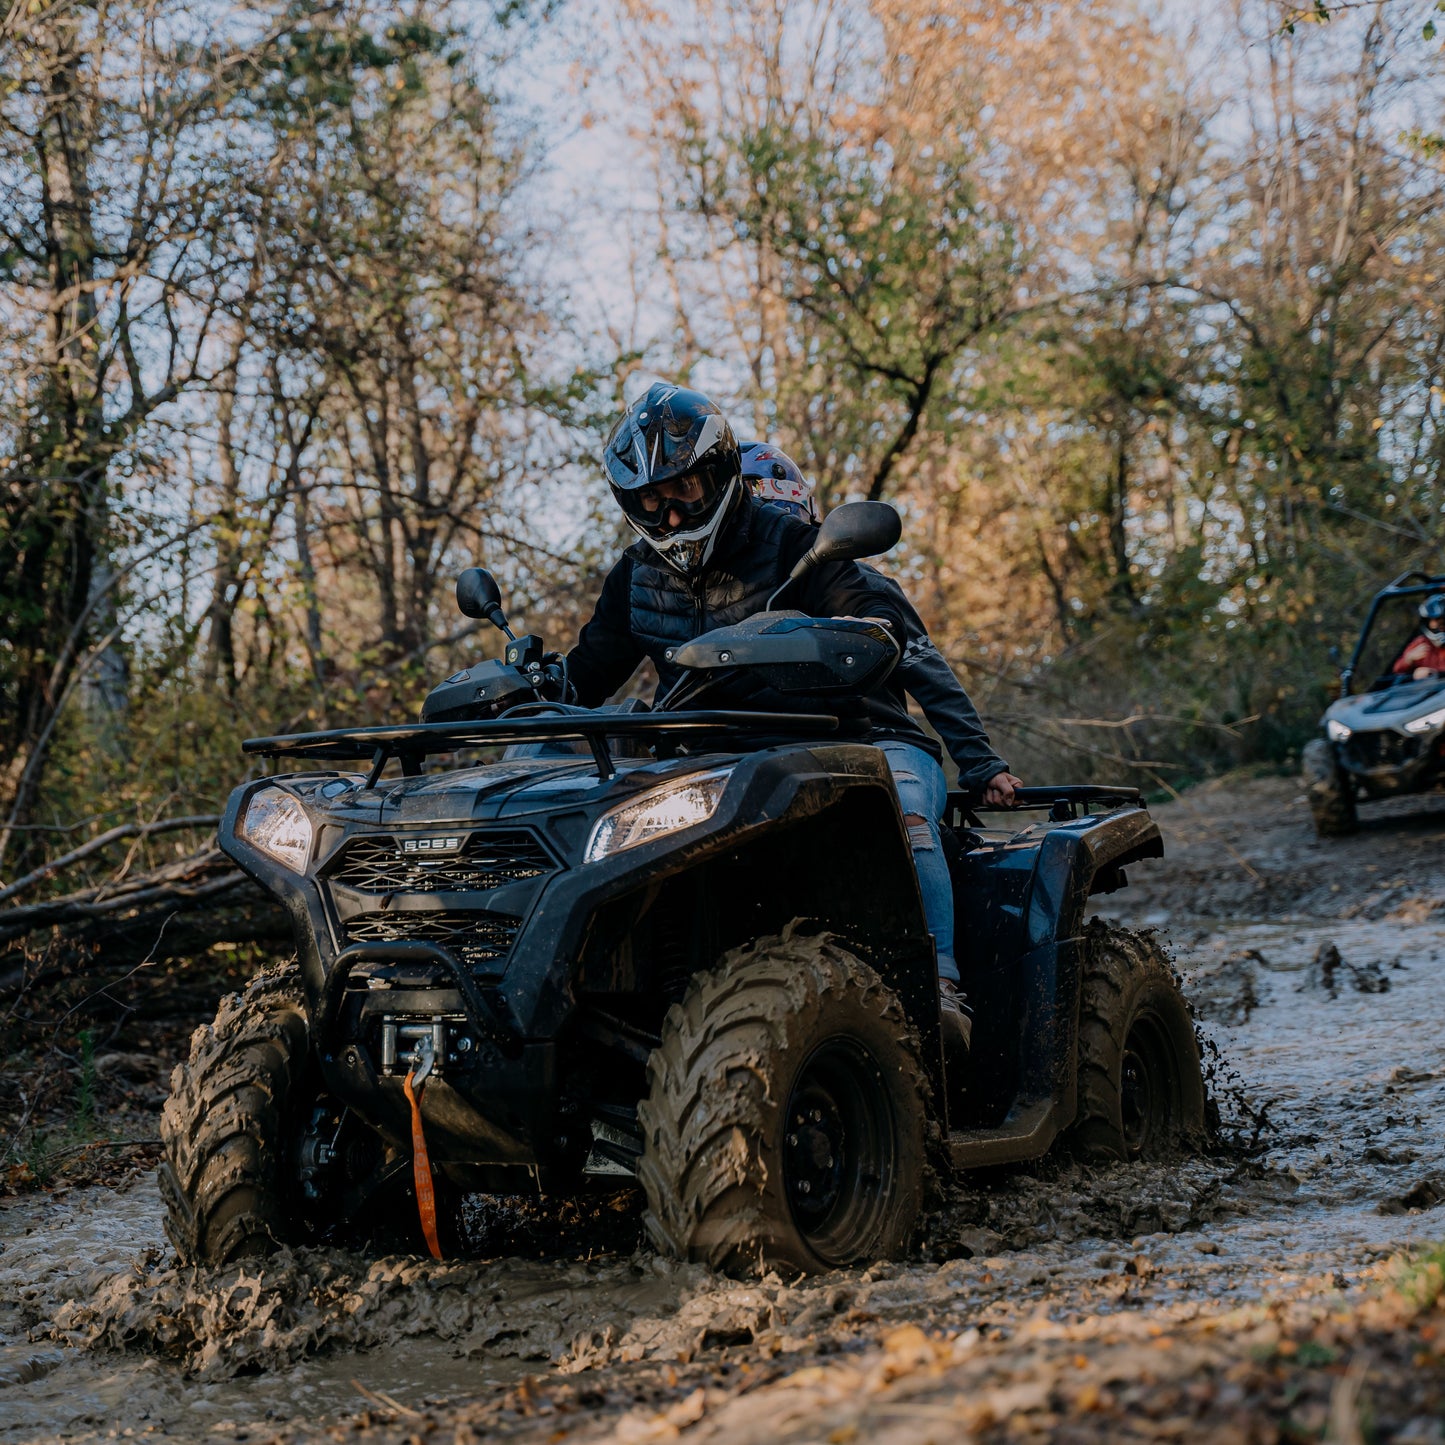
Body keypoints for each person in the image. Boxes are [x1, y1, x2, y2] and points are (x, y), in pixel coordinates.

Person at [566, 384, 973, 1051]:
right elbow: (586, 673)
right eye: (648, 500)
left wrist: (857, 633)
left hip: (849, 740)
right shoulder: (634, 577)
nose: (668, 514)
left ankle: (941, 984)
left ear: (721, 473)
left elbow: (880, 621)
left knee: (905, 811)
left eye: (684, 491)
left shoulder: (799, 546)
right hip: (712, 757)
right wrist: (526, 684)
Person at [1392, 593, 1445, 679]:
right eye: (1435, 620)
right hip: (1429, 690)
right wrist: (1409, 659)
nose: (1438, 624)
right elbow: (1397, 669)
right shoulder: (1421, 643)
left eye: (1443, 620)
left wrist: (1435, 674)